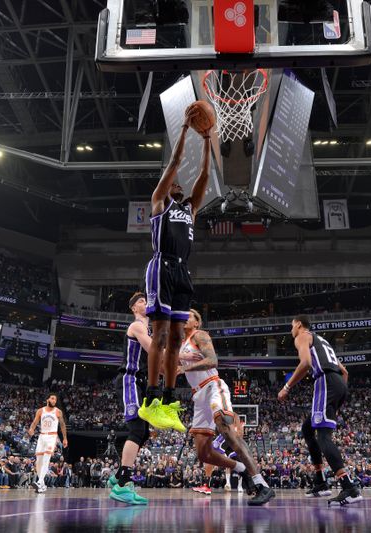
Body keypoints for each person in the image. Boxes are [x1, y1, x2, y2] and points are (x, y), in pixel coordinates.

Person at [137, 105, 212, 432]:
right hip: (161, 265)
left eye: (180, 185)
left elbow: (205, 177)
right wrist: (184, 130)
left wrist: (207, 140)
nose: (178, 184)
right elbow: (175, 163)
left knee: (179, 337)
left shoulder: (190, 209)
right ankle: (151, 397)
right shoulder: (159, 202)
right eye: (174, 184)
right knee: (162, 333)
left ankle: (167, 401)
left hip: (183, 270)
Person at [178, 309, 275, 506]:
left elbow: (213, 360)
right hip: (198, 395)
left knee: (227, 431)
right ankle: (241, 469)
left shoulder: (200, 335)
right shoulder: (180, 344)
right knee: (203, 453)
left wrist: (184, 368)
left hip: (214, 386)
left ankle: (262, 484)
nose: (184, 318)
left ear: (197, 322)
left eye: (189, 315)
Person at [279, 315, 362, 506]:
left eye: (292, 326)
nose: (291, 330)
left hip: (325, 382)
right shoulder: (322, 341)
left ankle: (349, 487)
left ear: (299, 325)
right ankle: (321, 481)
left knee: (324, 437)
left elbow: (306, 364)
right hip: (339, 384)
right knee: (308, 429)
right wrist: (339, 398)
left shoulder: (302, 336)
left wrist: (287, 387)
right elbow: (345, 372)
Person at [108, 292, 154, 505]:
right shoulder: (137, 326)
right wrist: (178, 356)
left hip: (141, 381)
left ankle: (117, 477)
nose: (146, 303)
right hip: (130, 379)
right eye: (141, 301)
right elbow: (153, 349)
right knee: (136, 429)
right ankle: (123, 484)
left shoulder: (148, 327)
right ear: (134, 308)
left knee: (143, 432)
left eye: (146, 300)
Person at [27, 394, 68, 494]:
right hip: (42, 436)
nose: (54, 401)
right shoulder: (41, 411)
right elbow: (35, 422)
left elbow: (62, 425)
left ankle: (40, 482)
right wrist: (31, 429)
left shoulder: (58, 411)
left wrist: (65, 438)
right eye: (53, 398)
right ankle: (43, 485)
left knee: (46, 458)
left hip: (52, 436)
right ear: (48, 399)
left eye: (55, 399)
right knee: (39, 461)